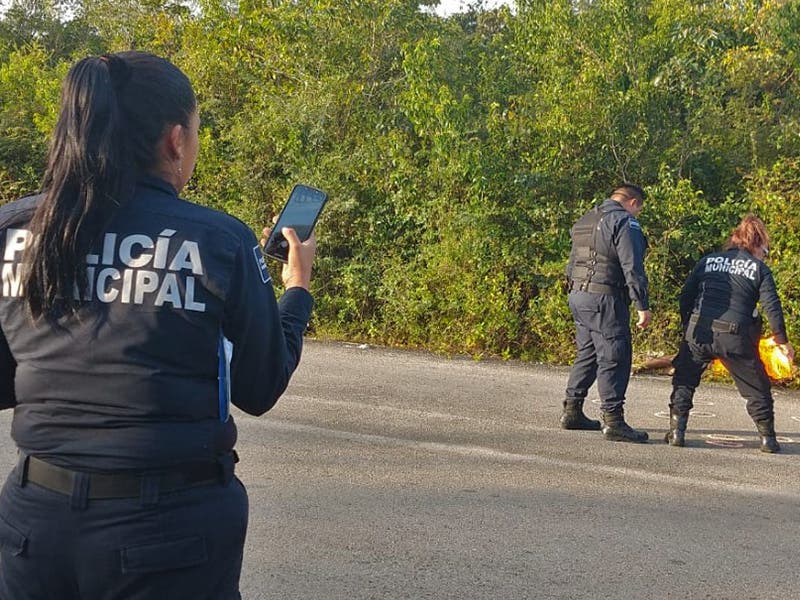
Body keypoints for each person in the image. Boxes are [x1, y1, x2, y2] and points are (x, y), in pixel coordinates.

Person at [0, 51, 316, 599]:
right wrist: (297, 290)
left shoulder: (14, 229)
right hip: (168, 533)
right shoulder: (218, 240)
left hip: (32, 525)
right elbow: (260, 386)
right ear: (175, 140)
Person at [666, 214, 794, 453]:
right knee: (757, 388)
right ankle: (768, 439)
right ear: (757, 244)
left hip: (699, 330)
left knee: (685, 379)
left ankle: (676, 432)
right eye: (765, 250)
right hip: (736, 336)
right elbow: (772, 306)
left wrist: (688, 328)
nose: (764, 255)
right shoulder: (759, 269)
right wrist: (782, 341)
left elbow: (686, 296)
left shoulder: (708, 261)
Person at [561, 184, 652, 443]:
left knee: (588, 353)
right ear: (633, 202)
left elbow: (572, 263)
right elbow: (631, 266)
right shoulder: (624, 222)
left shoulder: (585, 219)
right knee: (615, 354)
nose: (638, 215)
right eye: (639, 210)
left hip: (578, 294)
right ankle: (613, 420)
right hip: (605, 297)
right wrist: (641, 305)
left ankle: (572, 410)